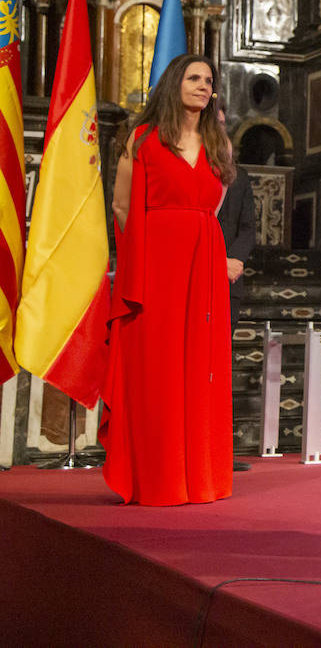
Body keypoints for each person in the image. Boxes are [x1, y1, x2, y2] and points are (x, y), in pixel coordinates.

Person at [100, 54, 235, 505]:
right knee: (156, 370)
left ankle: (199, 477)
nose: (202, 85)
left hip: (204, 264)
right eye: (194, 77)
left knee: (201, 369)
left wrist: (200, 241)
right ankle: (157, 478)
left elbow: (213, 209)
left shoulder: (220, 145)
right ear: (175, 82)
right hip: (155, 266)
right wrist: (145, 257)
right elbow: (121, 206)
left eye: (208, 80)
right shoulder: (142, 139)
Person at [216, 108, 256, 473]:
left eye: (223, 123)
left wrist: (236, 259)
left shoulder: (239, 179)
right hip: (191, 276)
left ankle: (217, 450)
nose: (219, 129)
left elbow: (247, 228)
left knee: (218, 367)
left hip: (228, 281)